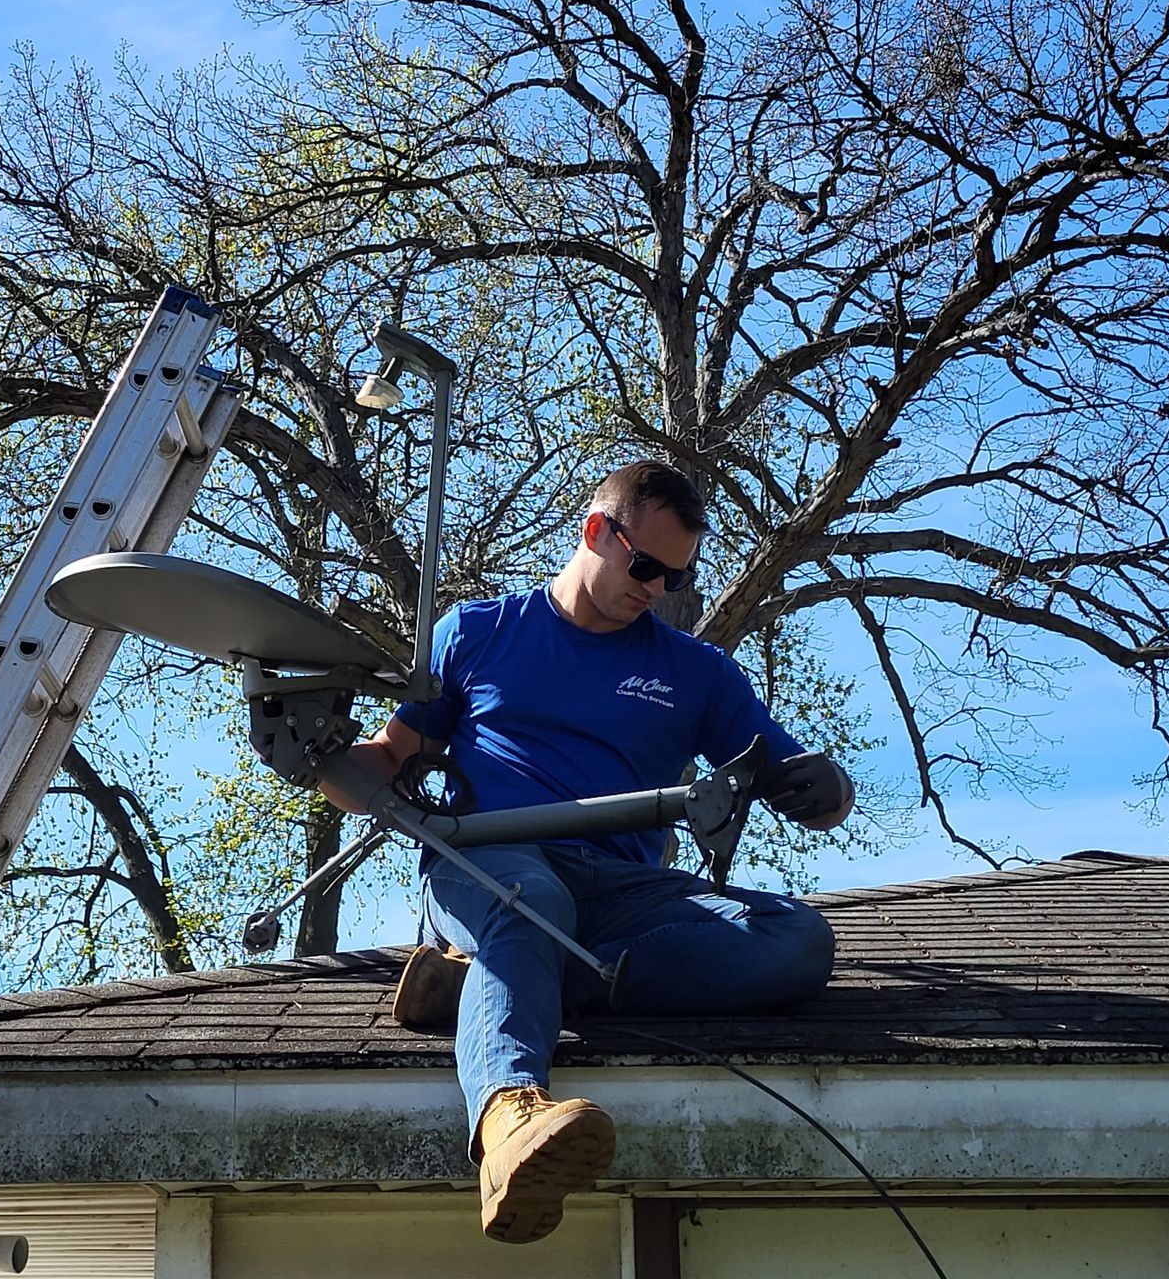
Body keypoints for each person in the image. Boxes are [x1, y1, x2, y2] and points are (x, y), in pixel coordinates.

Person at [322, 460, 852, 1244]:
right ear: (597, 531)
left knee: (797, 941)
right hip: (492, 864)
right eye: (646, 566)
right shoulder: (477, 632)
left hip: (625, 892)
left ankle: (489, 985)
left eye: (674, 577)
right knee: (532, 906)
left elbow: (797, 772)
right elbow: (388, 757)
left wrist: (827, 790)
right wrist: (316, 755)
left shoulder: (696, 673)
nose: (656, 589)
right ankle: (508, 1122)